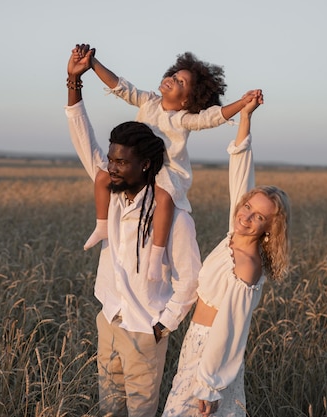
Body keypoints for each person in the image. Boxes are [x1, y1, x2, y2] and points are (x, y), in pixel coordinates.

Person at [66, 45, 202, 416]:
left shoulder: (172, 213)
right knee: (110, 409)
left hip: (146, 330)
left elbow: (191, 280)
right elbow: (83, 140)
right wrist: (74, 82)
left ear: (144, 166)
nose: (111, 167)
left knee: (140, 412)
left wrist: (162, 325)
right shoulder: (112, 196)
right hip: (109, 319)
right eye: (111, 159)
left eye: (120, 162)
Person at [80, 44, 259, 283]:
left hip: (168, 171)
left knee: (164, 198)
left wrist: (242, 102)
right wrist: (92, 63)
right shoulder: (148, 102)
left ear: (187, 100)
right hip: (140, 166)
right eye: (174, 76)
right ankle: (102, 226)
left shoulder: (184, 119)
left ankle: (156, 257)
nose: (173, 80)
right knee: (103, 176)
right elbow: (119, 86)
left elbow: (213, 117)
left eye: (181, 83)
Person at [161, 91, 292, 416]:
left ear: (269, 229)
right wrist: (246, 117)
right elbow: (240, 172)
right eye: (247, 206)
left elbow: (231, 330)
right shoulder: (234, 235)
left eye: (258, 217)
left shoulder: (246, 268)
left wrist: (209, 385)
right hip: (195, 342)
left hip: (212, 355)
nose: (246, 216)